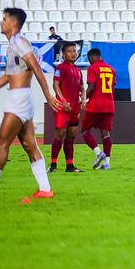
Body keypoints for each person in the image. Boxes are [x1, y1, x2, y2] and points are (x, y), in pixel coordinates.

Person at [0, 9, 61, 201]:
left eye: (4, 18)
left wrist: (48, 94)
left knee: (1, 143)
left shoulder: (19, 42)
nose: (2, 22)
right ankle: (45, 189)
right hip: (21, 97)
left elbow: (36, 66)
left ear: (13, 23)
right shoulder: (14, 44)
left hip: (19, 99)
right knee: (29, 144)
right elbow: (9, 77)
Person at [48, 41, 84, 174]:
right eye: (69, 51)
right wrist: (62, 101)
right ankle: (53, 164)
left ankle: (70, 165)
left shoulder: (78, 71)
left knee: (71, 136)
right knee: (60, 134)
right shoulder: (60, 68)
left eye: (74, 51)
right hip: (63, 108)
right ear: (63, 54)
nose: (73, 53)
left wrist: (83, 99)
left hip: (74, 108)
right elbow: (55, 85)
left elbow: (81, 87)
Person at [81, 47, 116, 171]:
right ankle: (107, 163)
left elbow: (92, 86)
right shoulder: (111, 69)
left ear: (92, 57)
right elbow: (112, 88)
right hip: (109, 105)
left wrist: (85, 99)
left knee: (84, 130)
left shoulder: (93, 68)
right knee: (105, 134)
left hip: (96, 105)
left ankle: (98, 153)